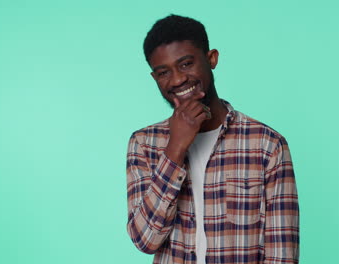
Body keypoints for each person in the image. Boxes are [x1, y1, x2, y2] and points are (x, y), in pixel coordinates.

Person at [126, 14, 299, 264]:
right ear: (155, 78)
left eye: (185, 64)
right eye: (164, 72)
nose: (177, 79)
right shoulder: (143, 144)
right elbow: (145, 240)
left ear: (212, 59)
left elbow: (282, 255)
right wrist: (175, 148)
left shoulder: (267, 145)